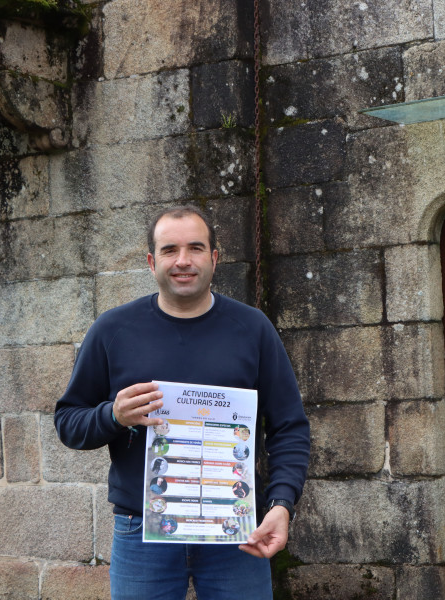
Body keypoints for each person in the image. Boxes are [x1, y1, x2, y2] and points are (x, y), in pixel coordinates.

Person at [54, 205, 310, 600]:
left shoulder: (253, 328)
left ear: (214, 258)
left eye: (195, 247)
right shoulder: (112, 330)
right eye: (170, 250)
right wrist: (113, 415)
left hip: (235, 529)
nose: (183, 261)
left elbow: (289, 427)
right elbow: (68, 422)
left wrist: (281, 504)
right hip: (142, 531)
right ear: (151, 261)